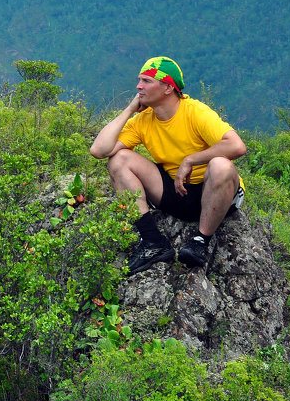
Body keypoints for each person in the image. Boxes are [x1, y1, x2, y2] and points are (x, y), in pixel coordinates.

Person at [89, 56, 246, 274]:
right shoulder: (142, 120)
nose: (138, 86)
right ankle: (153, 242)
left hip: (214, 192)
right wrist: (129, 110)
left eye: (146, 81)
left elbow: (237, 146)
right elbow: (99, 150)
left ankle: (200, 240)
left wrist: (191, 160)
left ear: (167, 88)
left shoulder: (194, 112)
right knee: (118, 160)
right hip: (175, 191)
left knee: (221, 165)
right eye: (139, 80)